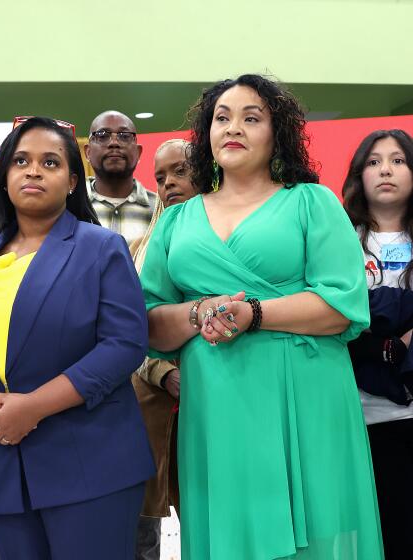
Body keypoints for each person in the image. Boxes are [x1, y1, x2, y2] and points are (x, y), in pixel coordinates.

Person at [139, 74, 384, 559]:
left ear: (278, 134)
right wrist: (199, 311)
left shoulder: (312, 203)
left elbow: (343, 304)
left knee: (318, 530)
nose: (234, 128)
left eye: (252, 118)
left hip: (306, 393)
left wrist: (252, 312)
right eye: (222, 118)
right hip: (215, 404)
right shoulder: (175, 221)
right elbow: (148, 323)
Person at [0, 116, 154, 560]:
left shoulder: (99, 248)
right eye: (21, 161)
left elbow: (124, 344)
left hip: (90, 462)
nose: (33, 171)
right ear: (5, 180)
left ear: (72, 181)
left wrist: (33, 407)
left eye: (50, 163)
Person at [342, 128, 413, 559]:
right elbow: (339, 315)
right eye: (373, 161)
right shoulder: (341, 239)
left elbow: (364, 313)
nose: (385, 169)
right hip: (360, 415)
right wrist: (390, 343)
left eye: (398, 160)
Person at [129, 139, 197, 560]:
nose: (169, 183)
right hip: (149, 404)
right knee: (142, 527)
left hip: (215, 395)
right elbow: (125, 330)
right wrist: (162, 371)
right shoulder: (139, 247)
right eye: (160, 177)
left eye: (180, 171)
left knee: (208, 511)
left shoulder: (226, 236)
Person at [83, 110, 157, 244]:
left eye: (124, 135)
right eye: (102, 135)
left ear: (138, 152)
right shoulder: (69, 207)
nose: (114, 143)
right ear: (87, 152)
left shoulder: (160, 209)